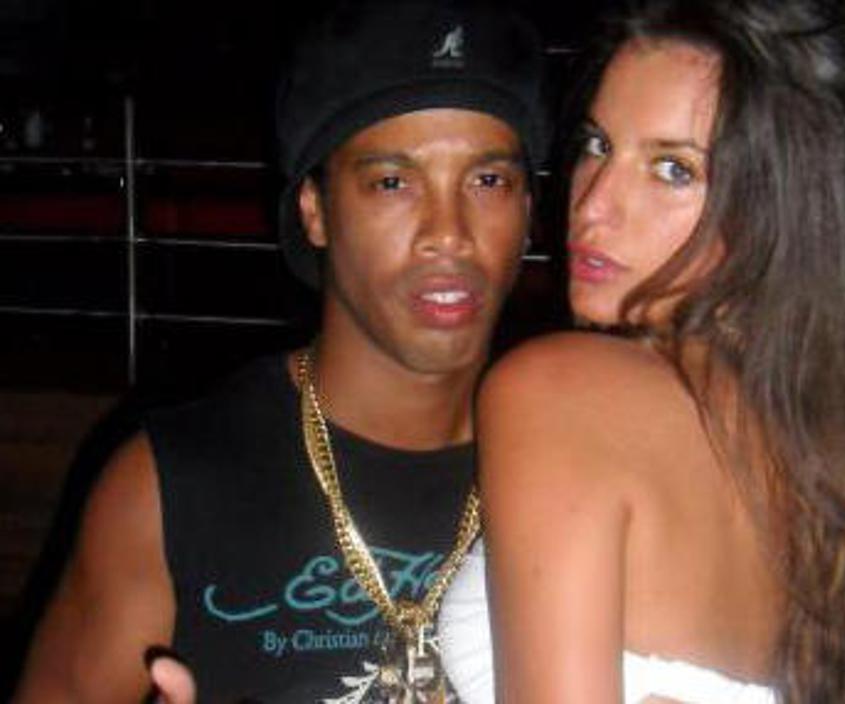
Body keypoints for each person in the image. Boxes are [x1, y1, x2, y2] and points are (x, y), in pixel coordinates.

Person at [13, 0, 547, 701]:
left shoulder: (572, 460)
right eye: (392, 182)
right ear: (314, 212)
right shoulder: (170, 486)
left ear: (528, 212)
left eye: (488, 181)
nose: (447, 232)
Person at [437, 0, 845, 701]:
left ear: (785, 204)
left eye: (672, 170)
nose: (593, 204)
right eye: (597, 145)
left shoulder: (560, 391)